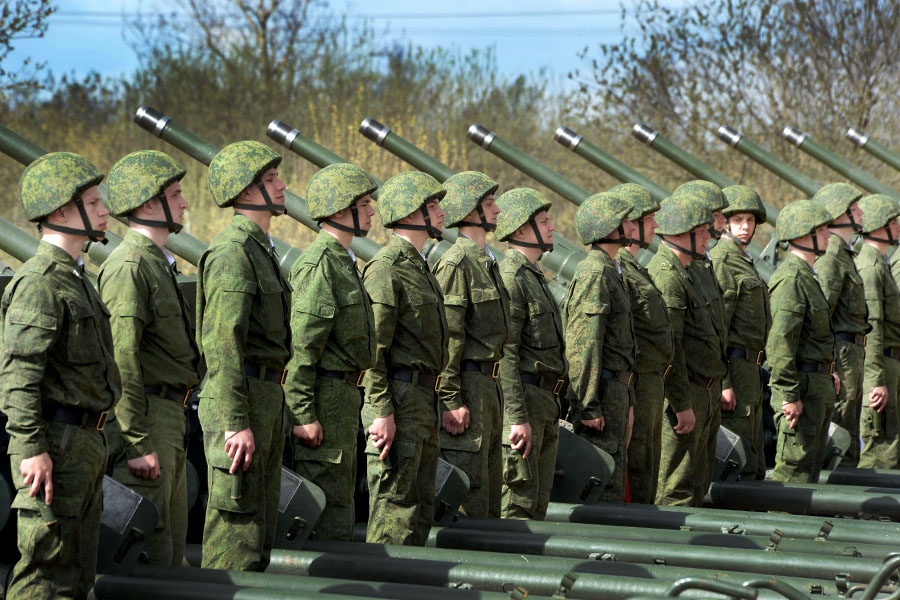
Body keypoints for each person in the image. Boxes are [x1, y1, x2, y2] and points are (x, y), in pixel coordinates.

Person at [1, 152, 120, 598]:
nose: (105, 209)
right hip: (55, 445)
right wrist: (31, 448)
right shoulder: (41, 282)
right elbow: (17, 376)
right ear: (60, 212)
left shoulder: (77, 278)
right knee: (46, 574)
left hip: (83, 443)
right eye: (93, 202)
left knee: (76, 575)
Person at [98, 150, 201, 566]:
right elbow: (122, 363)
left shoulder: (158, 264)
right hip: (147, 420)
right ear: (146, 204)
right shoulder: (131, 266)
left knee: (171, 554)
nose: (184, 203)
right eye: (175, 195)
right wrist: (137, 442)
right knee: (148, 556)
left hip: (169, 418)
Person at [197, 140, 291, 571]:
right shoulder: (234, 252)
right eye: (272, 180)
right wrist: (235, 422)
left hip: (264, 397)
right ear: (247, 192)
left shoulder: (260, 249)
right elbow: (222, 345)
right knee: (237, 536)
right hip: (243, 401)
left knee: (259, 534)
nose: (283, 185)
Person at [284, 162, 378, 540]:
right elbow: (302, 348)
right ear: (341, 210)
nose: (373, 210)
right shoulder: (321, 263)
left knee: (341, 511)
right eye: (366, 202)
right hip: (324, 403)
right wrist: (303, 413)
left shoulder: (344, 261)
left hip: (343, 400)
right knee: (326, 518)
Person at [361, 171, 449, 545]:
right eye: (432, 206)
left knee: (420, 513)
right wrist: (380, 410)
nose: (442, 212)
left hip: (422, 401)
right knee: (395, 515)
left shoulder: (419, 266)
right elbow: (374, 350)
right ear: (412, 213)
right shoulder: (387, 268)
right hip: (400, 399)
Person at [432, 171, 509, 518]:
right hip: (469, 389)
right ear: (469, 210)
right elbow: (448, 337)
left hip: (490, 388)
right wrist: (450, 399)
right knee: (470, 498)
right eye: (489, 203)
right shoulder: (456, 263)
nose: (496, 210)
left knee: (492, 494)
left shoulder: (488, 262)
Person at [648, 191, 726, 506]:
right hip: (687, 394)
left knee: (698, 485)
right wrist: (681, 403)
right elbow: (671, 349)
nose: (710, 235)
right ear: (681, 233)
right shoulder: (667, 276)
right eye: (702, 231)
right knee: (676, 490)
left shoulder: (689, 271)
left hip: (704, 390)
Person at [495, 188, 567, 519]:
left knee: (537, 505)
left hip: (544, 402)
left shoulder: (534, 276)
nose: (552, 227)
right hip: (526, 401)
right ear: (522, 230)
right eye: (544, 221)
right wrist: (516, 417)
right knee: (518, 505)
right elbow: (506, 353)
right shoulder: (512, 277)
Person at [563, 191, 636, 502]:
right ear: (609, 228)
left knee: (614, 481)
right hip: (601, 396)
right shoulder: (595, 273)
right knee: (601, 484)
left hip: (613, 391)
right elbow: (584, 344)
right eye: (625, 220)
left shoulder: (610, 269)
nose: (632, 225)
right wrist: (588, 405)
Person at [767, 200, 840, 483]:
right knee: (793, 476)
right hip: (802, 391)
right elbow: (781, 344)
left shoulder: (807, 277)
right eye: (821, 230)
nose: (828, 235)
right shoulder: (791, 279)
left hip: (814, 388)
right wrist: (789, 394)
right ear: (801, 236)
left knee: (808, 476)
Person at [611, 183, 673, 504]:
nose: (656, 227)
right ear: (631, 224)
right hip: (638, 385)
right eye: (650, 220)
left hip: (650, 385)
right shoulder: (621, 270)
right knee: (636, 473)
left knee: (647, 470)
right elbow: (623, 341)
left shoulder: (636, 269)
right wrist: (630, 398)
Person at [709, 185, 771, 479]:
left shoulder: (743, 260)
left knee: (755, 458)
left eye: (750, 220)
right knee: (739, 459)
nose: (745, 227)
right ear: (725, 222)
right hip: (734, 368)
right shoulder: (722, 260)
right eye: (737, 221)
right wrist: (724, 381)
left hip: (751, 369)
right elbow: (718, 326)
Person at [812, 183, 868, 467]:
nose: (860, 212)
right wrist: (829, 366)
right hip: (841, 356)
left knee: (850, 427)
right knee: (841, 433)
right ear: (839, 214)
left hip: (851, 354)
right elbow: (821, 315)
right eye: (854, 208)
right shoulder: (832, 256)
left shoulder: (844, 253)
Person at [854, 194, 900, 468]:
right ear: (877, 225)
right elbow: (872, 326)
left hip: (888, 364)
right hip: (880, 364)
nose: (898, 227)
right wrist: (875, 379)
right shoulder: (871, 267)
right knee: (880, 447)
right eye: (892, 222)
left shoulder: (881, 264)